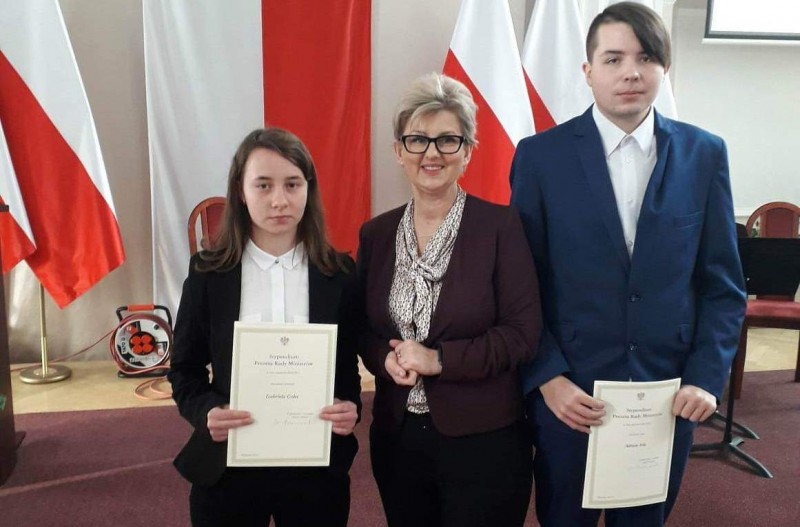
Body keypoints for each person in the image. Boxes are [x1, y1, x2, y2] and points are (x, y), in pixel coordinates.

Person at [510, 3, 746, 526]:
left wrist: (706, 378)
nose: (631, 73)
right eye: (613, 59)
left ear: (664, 68)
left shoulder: (704, 155)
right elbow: (521, 286)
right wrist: (547, 377)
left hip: (667, 398)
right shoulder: (540, 157)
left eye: (646, 58)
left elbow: (722, 286)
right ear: (588, 71)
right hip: (570, 395)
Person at [357, 72, 542, 527]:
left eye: (448, 140)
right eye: (418, 140)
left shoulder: (501, 228)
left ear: (468, 151)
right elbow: (363, 326)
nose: (432, 153)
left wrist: (439, 360)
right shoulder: (376, 234)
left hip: (484, 439)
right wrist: (384, 358)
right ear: (398, 150)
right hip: (397, 436)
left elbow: (522, 335)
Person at [168, 128, 361, 527]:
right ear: (240, 191)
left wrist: (349, 408)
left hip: (314, 465)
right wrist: (207, 411)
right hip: (228, 464)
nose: (279, 200)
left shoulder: (339, 273)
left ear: (309, 189)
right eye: (263, 185)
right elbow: (184, 370)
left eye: (292, 184)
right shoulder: (209, 273)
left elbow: (345, 372)